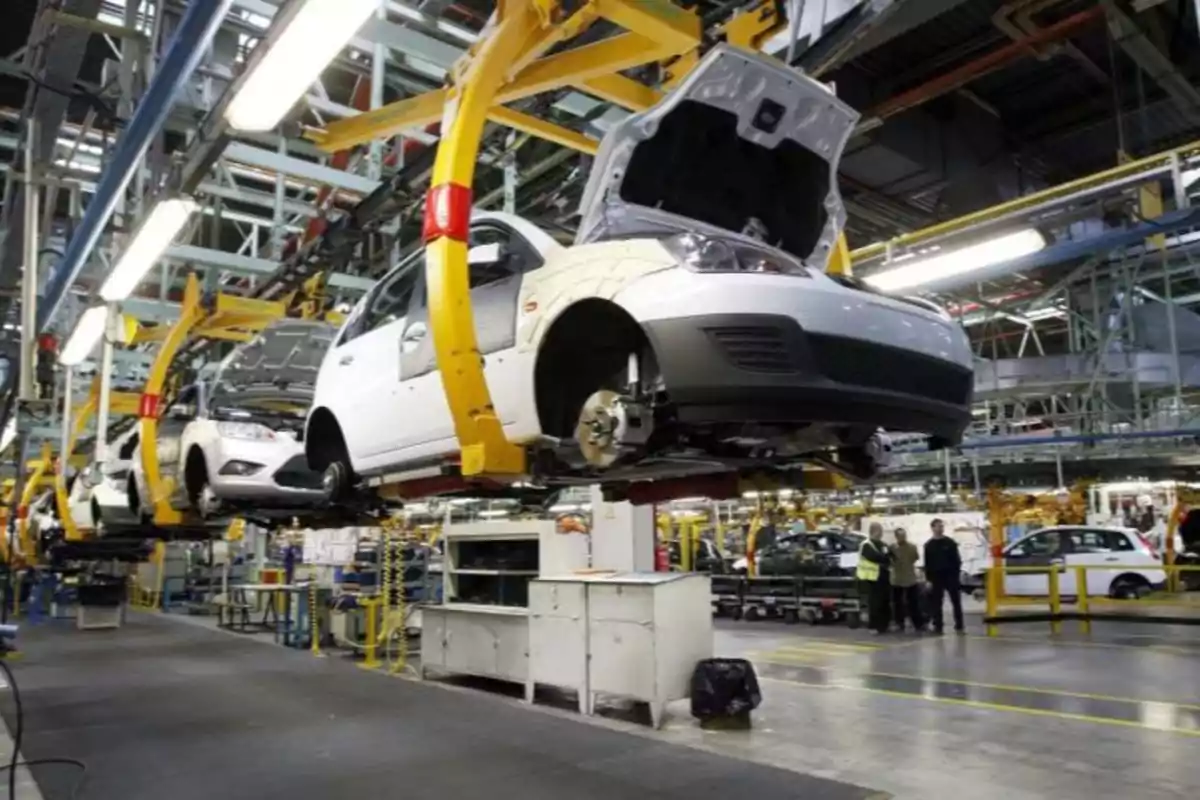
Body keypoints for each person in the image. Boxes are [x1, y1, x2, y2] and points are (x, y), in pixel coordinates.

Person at [923, 518, 964, 634]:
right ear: (933, 528)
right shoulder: (928, 545)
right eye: (938, 526)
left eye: (942, 526)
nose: (941, 528)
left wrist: (956, 574)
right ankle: (938, 625)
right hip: (936, 577)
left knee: (955, 601)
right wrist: (928, 579)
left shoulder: (950, 543)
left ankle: (959, 624)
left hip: (950, 576)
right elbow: (927, 563)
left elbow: (957, 560)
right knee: (937, 602)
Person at [856, 523, 892, 634]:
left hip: (884, 577)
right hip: (871, 578)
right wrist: (884, 558)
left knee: (885, 602)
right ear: (874, 531)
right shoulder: (866, 544)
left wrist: (885, 558)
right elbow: (874, 557)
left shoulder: (883, 544)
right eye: (880, 530)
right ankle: (874, 626)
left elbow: (889, 557)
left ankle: (884, 625)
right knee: (875, 603)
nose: (881, 533)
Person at [889, 528, 922, 632]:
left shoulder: (912, 547)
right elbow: (889, 560)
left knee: (913, 602)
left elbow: (915, 558)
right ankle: (900, 623)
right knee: (897, 603)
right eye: (900, 536)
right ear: (896, 536)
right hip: (897, 579)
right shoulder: (891, 548)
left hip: (909, 578)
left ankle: (917, 623)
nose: (902, 538)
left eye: (904, 535)